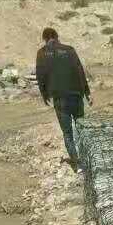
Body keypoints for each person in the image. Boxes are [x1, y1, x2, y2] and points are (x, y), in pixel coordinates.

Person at [35, 27, 91, 170]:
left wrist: (44, 95)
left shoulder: (42, 53)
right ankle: (88, 160)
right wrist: (87, 92)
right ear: (57, 37)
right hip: (76, 95)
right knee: (81, 128)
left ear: (44, 39)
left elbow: (40, 76)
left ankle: (77, 165)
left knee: (67, 133)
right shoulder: (69, 50)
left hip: (60, 98)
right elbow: (80, 71)